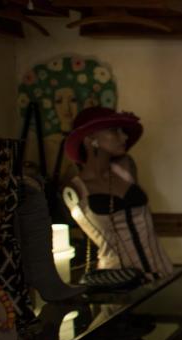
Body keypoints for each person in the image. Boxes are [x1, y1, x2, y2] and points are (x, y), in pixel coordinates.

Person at [62, 106, 173, 280]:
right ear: (91, 138)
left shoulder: (126, 169)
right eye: (114, 131)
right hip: (118, 283)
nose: (124, 136)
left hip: (162, 274)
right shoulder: (75, 188)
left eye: (122, 131)